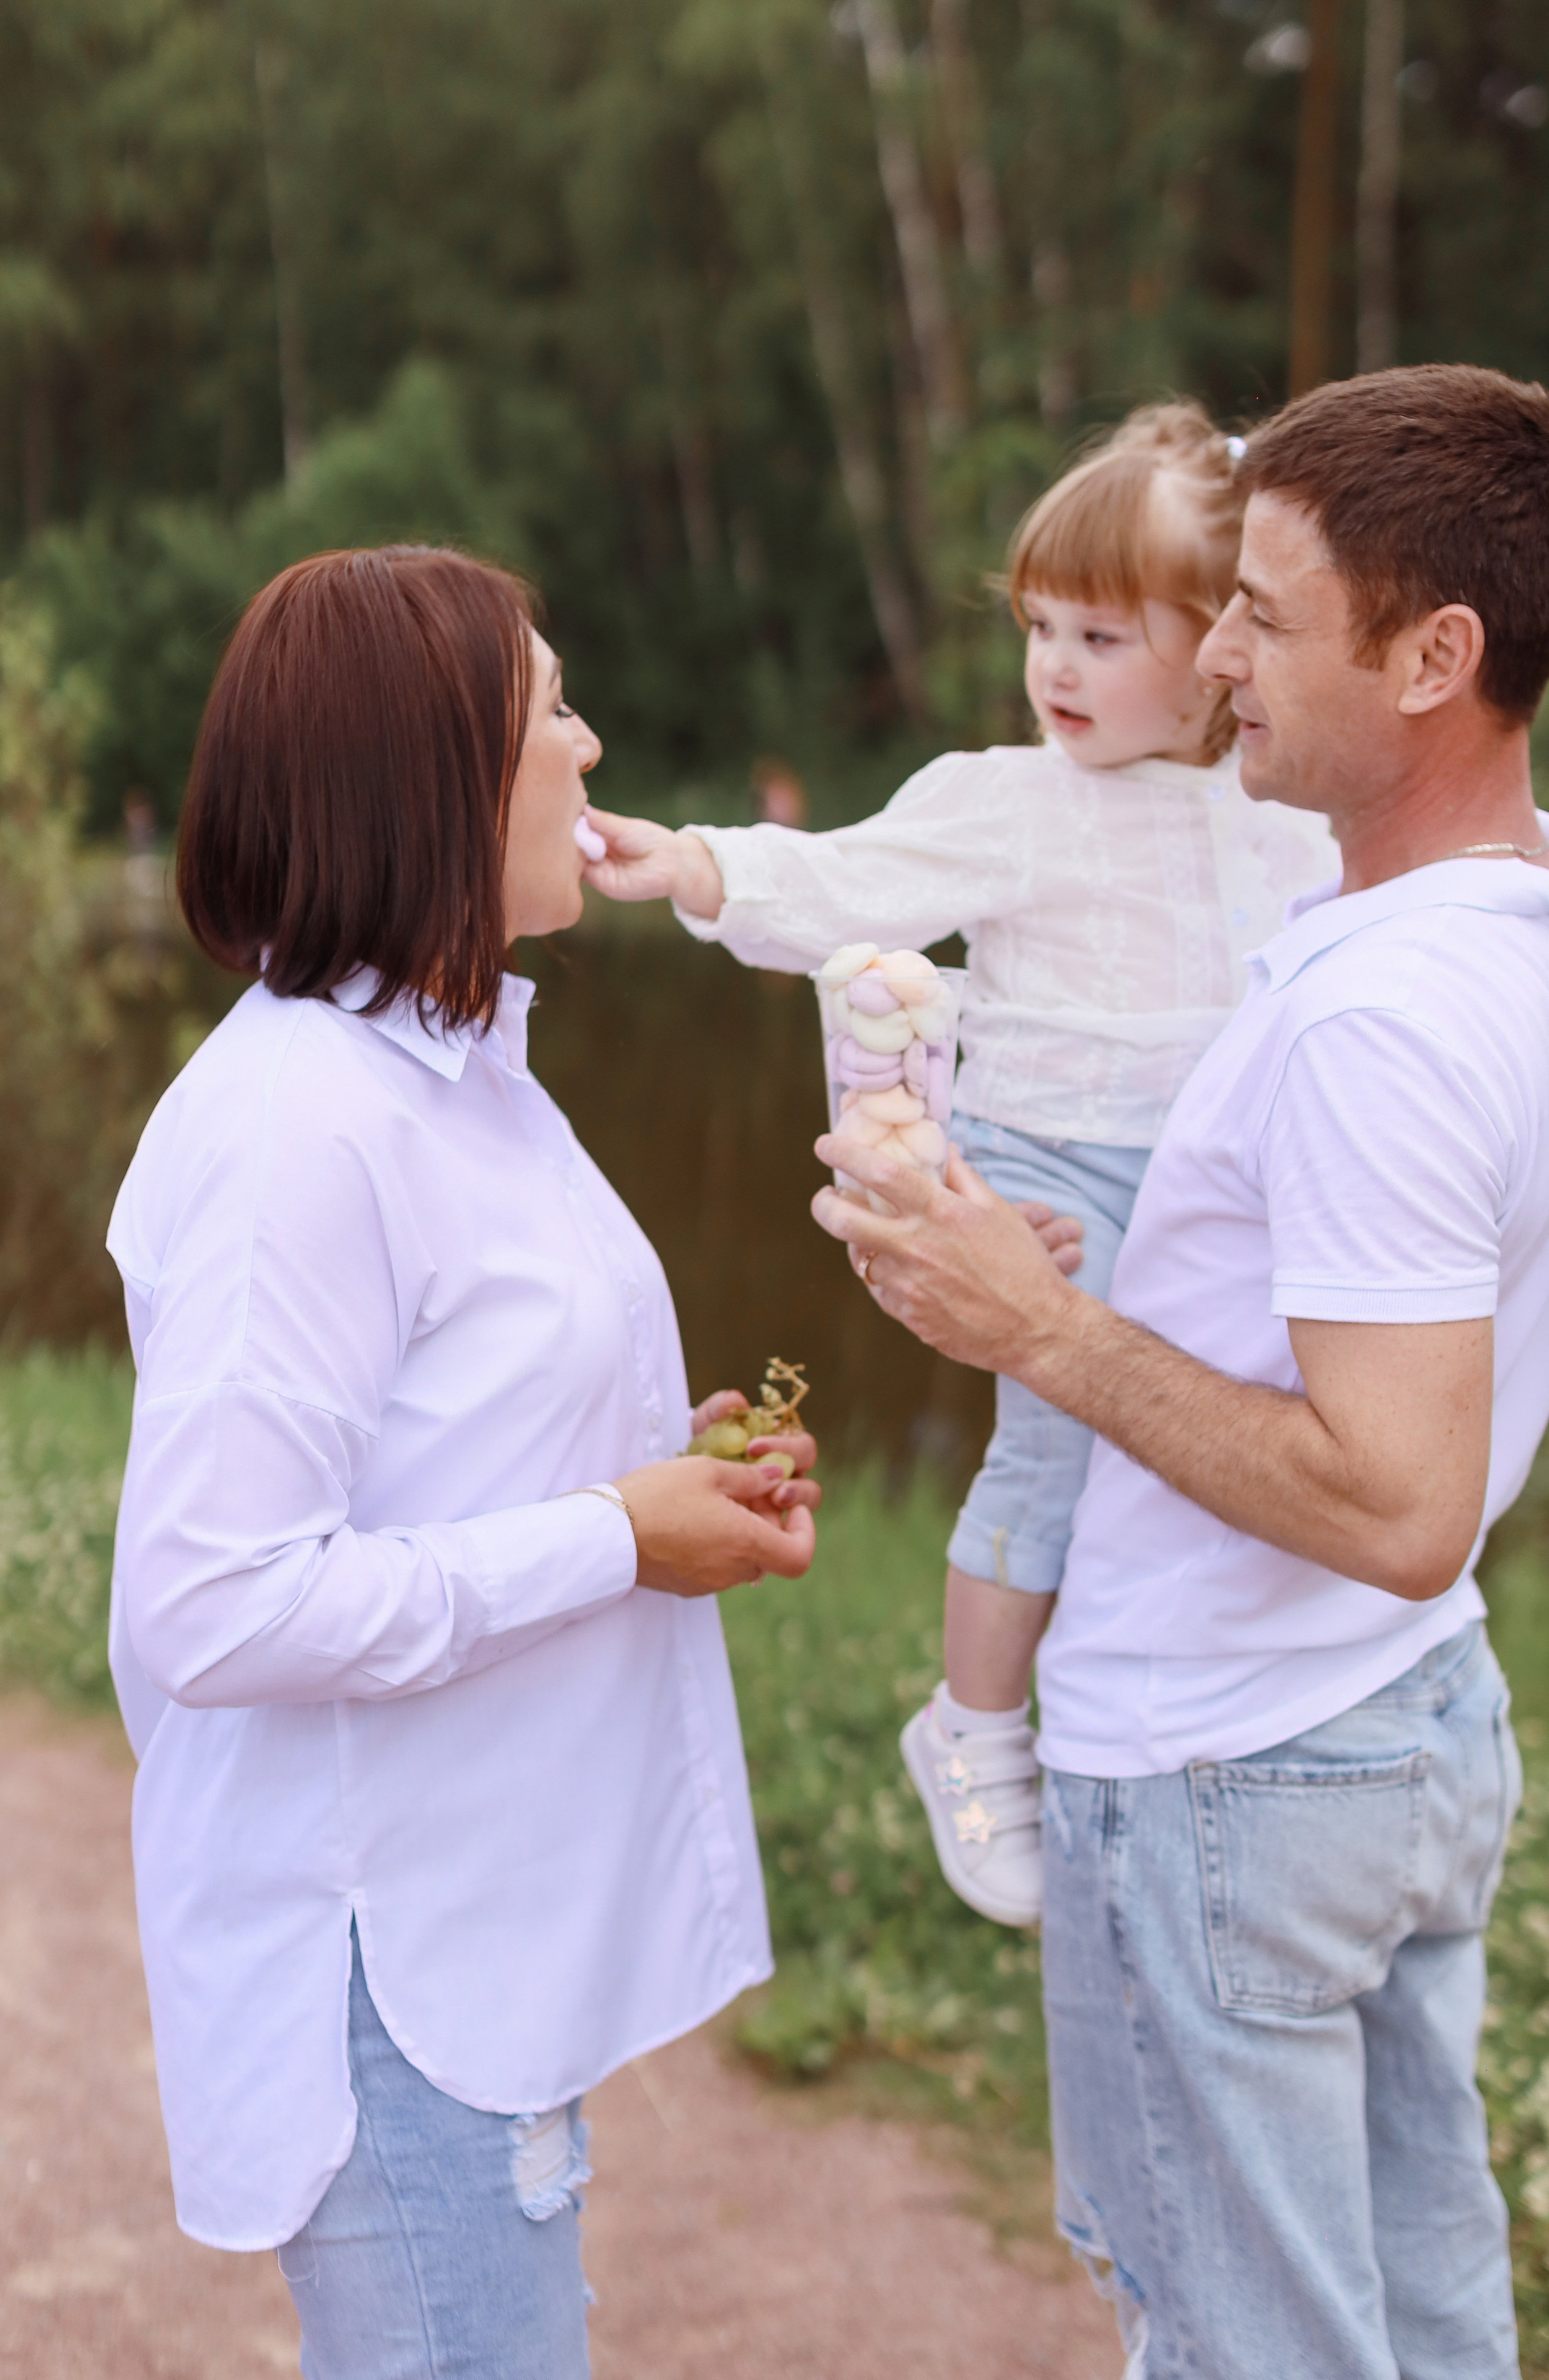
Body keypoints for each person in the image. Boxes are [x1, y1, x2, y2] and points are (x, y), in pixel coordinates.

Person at [811, 362, 1548, 2380]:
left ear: (1436, 658)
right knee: (1421, 2315)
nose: (1213, 653)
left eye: (1266, 614)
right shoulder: (1492, 925)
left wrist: (1029, 1324)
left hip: (1240, 1766)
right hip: (1393, 1739)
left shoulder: (1380, 1020)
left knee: (1249, 2349)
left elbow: (1397, 1499)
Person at [106, 545, 823, 2379]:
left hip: (476, 1941)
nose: (590, 749)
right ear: (430, 779)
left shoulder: (463, 1063)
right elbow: (215, 1600)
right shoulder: (301, 1133)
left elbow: (452, 1444)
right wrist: (615, 1535)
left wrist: (670, 1477)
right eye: (550, 714)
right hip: (392, 1974)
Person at [580, 403, 1336, 1926]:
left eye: (1103, 638)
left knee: (1232, 1433)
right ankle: (975, 1729)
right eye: (1039, 628)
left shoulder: (1277, 809)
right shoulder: (1011, 801)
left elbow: (1425, 879)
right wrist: (701, 865)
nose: (1053, 668)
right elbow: (850, 878)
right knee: (1053, 1452)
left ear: (1217, 646)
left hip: (1210, 1183)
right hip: (1042, 1181)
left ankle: (1184, 1696)